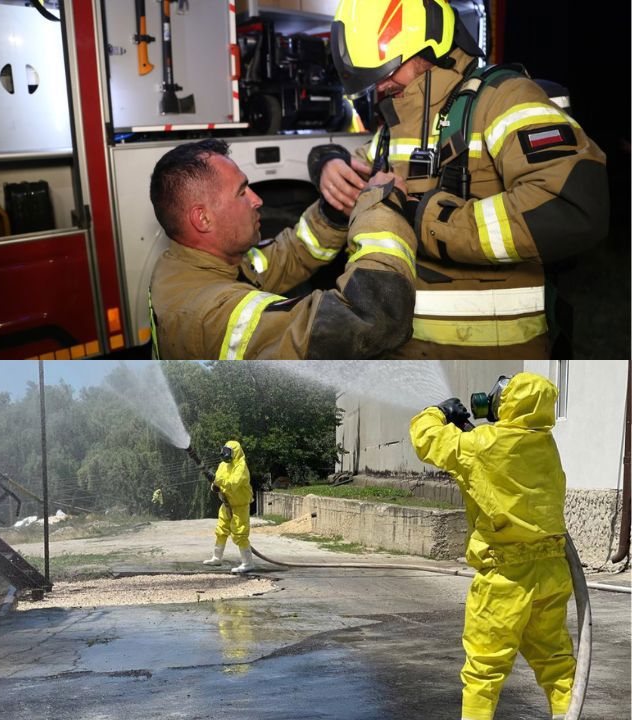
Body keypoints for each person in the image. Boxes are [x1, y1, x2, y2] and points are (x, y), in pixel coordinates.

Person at [314, 0, 608, 359]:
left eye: (389, 71)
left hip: (493, 364)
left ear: (431, 47)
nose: (382, 86)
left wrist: (426, 219)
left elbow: (572, 207)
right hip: (404, 360)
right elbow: (352, 180)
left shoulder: (505, 99)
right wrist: (327, 162)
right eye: (373, 78)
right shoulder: (395, 125)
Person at [149, 138, 418, 359]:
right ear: (203, 219)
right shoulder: (213, 314)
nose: (257, 199)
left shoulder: (188, 264)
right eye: (242, 192)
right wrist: (381, 207)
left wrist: (334, 211)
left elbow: (286, 258)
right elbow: (369, 318)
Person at [410, 373, 575, 720]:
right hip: (552, 572)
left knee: (484, 670)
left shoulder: (481, 445)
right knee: (557, 664)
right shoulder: (546, 446)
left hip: (505, 577)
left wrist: (437, 412)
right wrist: (476, 435)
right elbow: (506, 457)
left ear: (506, 403)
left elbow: (427, 441)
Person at [203, 441, 255, 573]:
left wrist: (216, 480)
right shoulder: (223, 465)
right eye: (224, 451)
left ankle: (248, 563)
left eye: (228, 452)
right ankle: (216, 558)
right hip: (226, 504)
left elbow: (233, 484)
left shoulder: (241, 467)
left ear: (235, 452)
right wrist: (214, 486)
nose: (225, 454)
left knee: (239, 533)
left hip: (240, 506)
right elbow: (219, 482)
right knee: (221, 530)